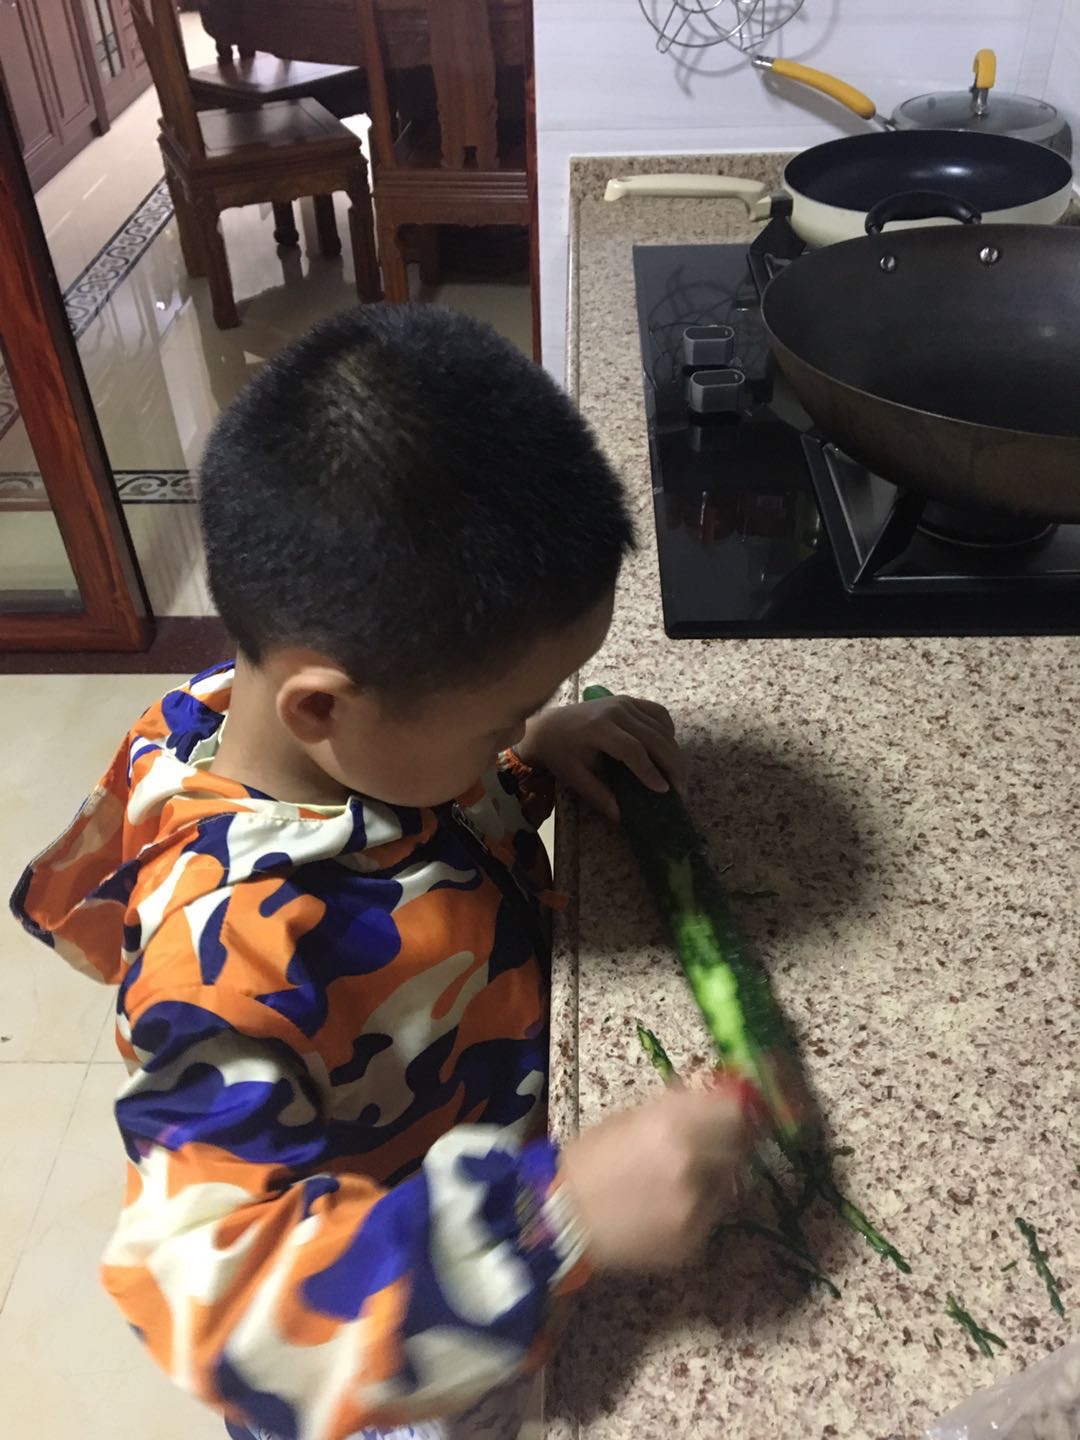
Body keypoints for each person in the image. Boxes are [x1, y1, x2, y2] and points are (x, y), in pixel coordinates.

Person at [10, 306, 758, 1440]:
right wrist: (554, 1219)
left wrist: (528, 751)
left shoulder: (284, 715)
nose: (513, 730)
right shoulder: (226, 958)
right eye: (502, 714)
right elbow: (212, 1302)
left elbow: (421, 812)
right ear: (323, 708)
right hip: (394, 1352)